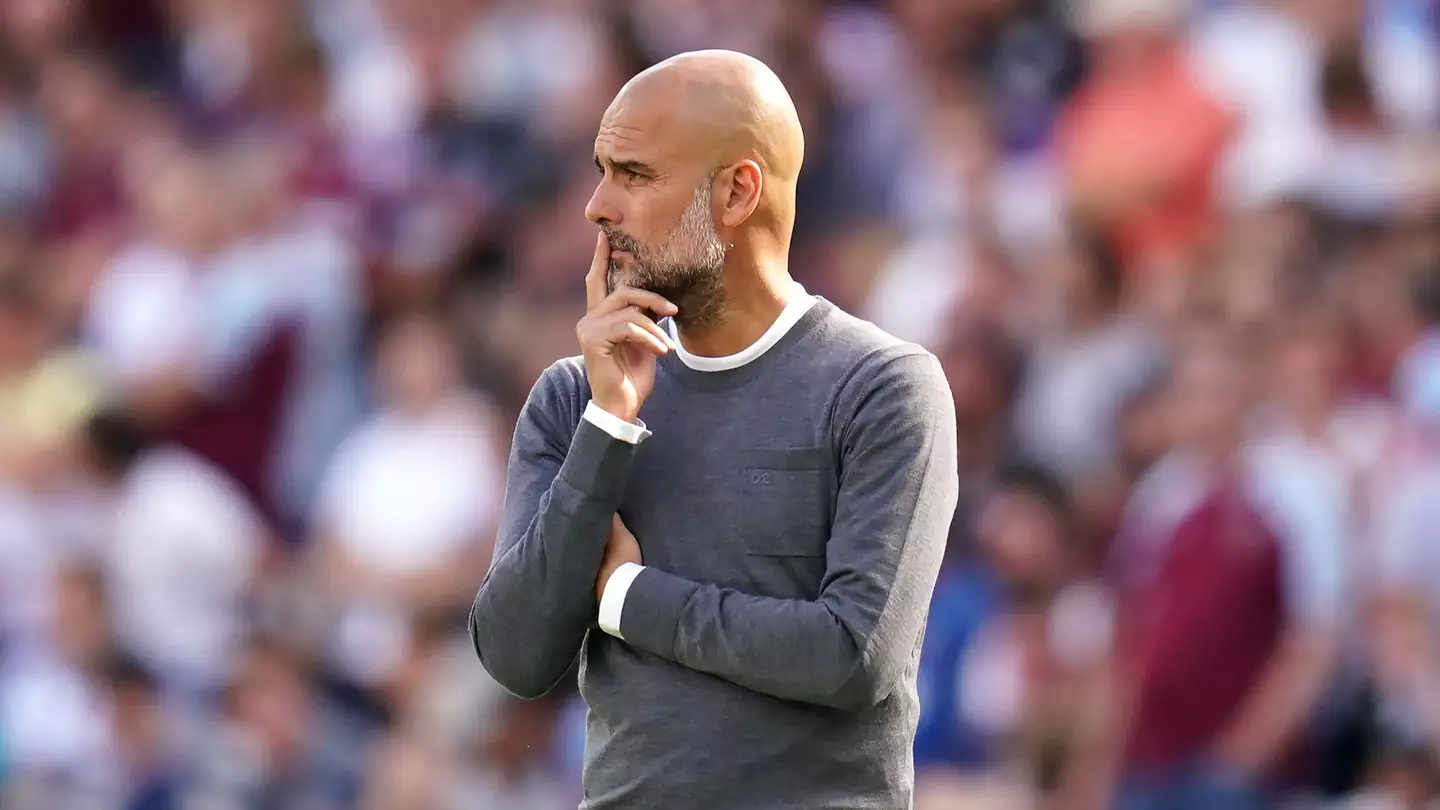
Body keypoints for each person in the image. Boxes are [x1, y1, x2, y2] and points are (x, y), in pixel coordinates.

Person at [469, 49, 960, 809]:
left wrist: (627, 596)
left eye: (634, 174)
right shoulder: (575, 401)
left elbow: (852, 656)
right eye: (601, 170)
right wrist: (609, 425)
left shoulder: (882, 388)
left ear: (736, 192)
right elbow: (514, 655)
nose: (597, 206)